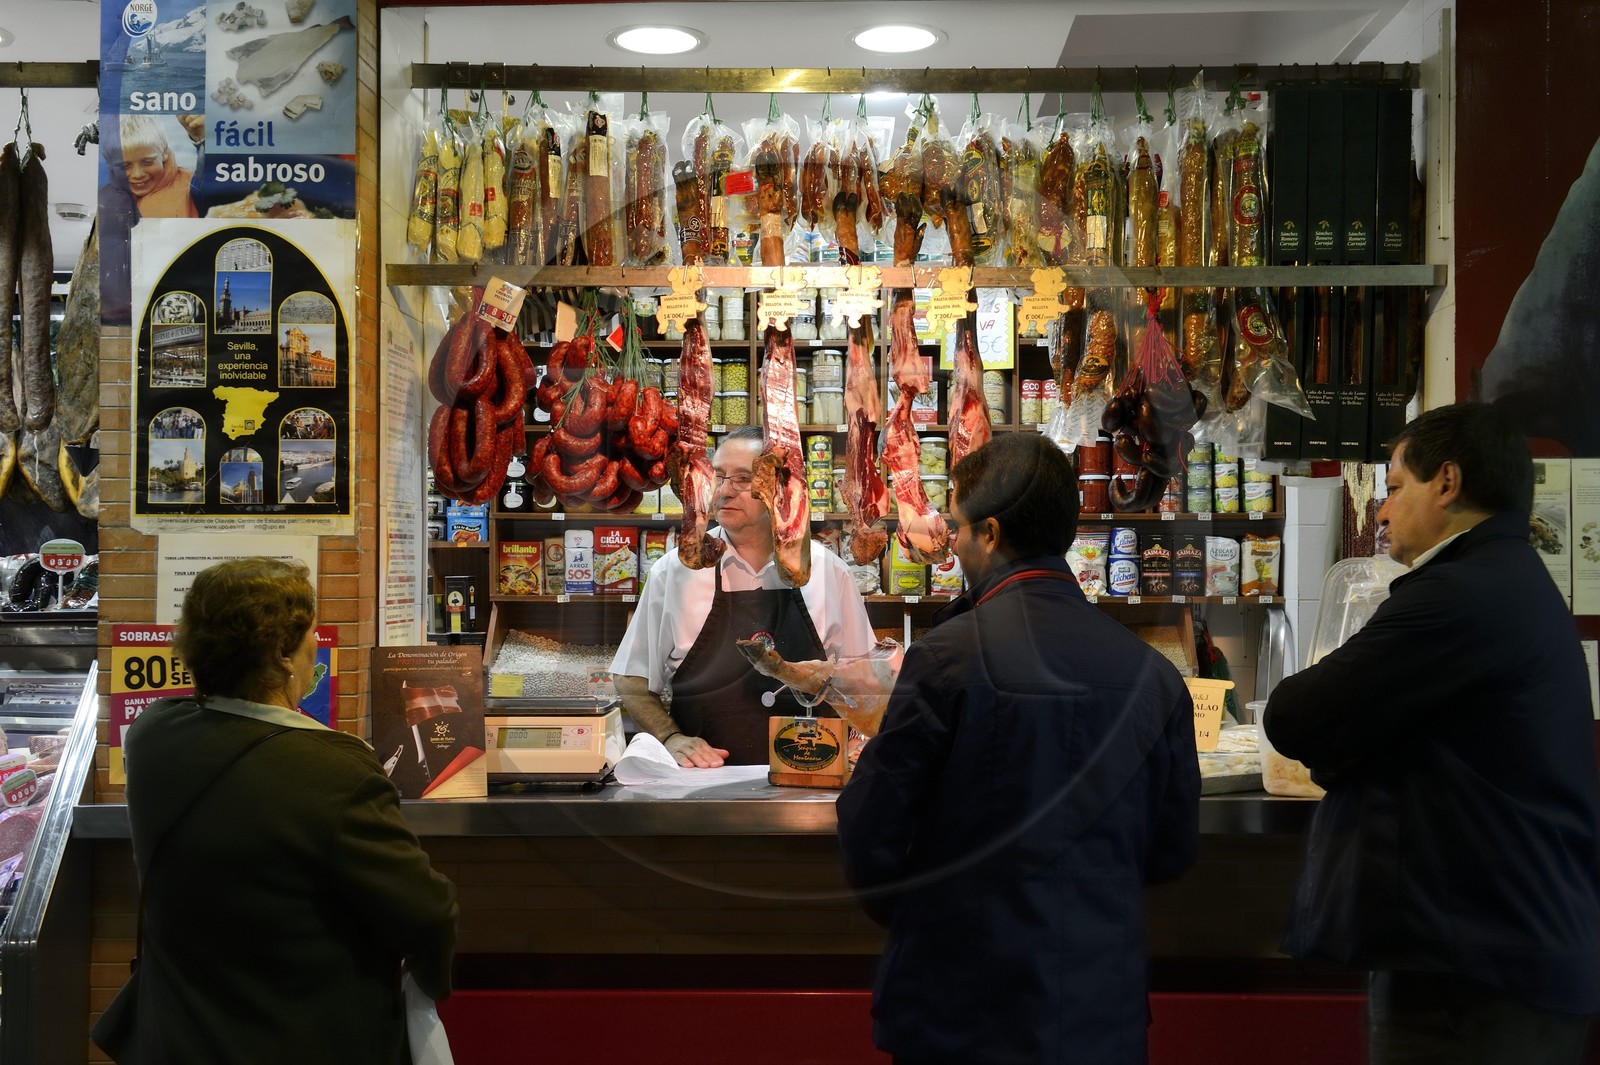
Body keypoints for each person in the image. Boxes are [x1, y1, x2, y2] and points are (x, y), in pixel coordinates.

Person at [835, 432, 1200, 1064]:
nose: (952, 543)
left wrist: (931, 923)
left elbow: (870, 830)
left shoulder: (946, 659)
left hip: (959, 1011)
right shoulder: (1156, 677)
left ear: (992, 533)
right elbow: (1170, 852)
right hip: (1095, 1010)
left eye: (957, 528)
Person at [1263, 402, 1600, 1064]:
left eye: (1392, 488)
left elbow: (1294, 713)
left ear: (1446, 482)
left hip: (1476, 985)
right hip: (1514, 956)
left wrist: (1351, 748)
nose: (1381, 513)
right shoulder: (1513, 580)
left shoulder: (1456, 595)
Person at [121, 558, 458, 1063]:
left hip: (177, 1039)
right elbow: (429, 913)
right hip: (303, 1039)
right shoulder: (335, 771)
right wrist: (427, 983)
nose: (316, 646)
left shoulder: (151, 736)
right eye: (310, 636)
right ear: (282, 653)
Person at [611, 425, 876, 766]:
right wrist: (671, 737)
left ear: (779, 487)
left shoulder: (828, 571)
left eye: (742, 479)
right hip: (704, 787)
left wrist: (861, 743)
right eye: (718, 476)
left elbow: (868, 681)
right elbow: (631, 676)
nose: (724, 491)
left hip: (810, 780)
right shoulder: (674, 571)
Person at [118, 114, 205, 218]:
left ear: (164, 153)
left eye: (147, 162)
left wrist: (203, 142)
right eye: (124, 166)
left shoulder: (192, 186)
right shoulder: (109, 199)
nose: (137, 174)